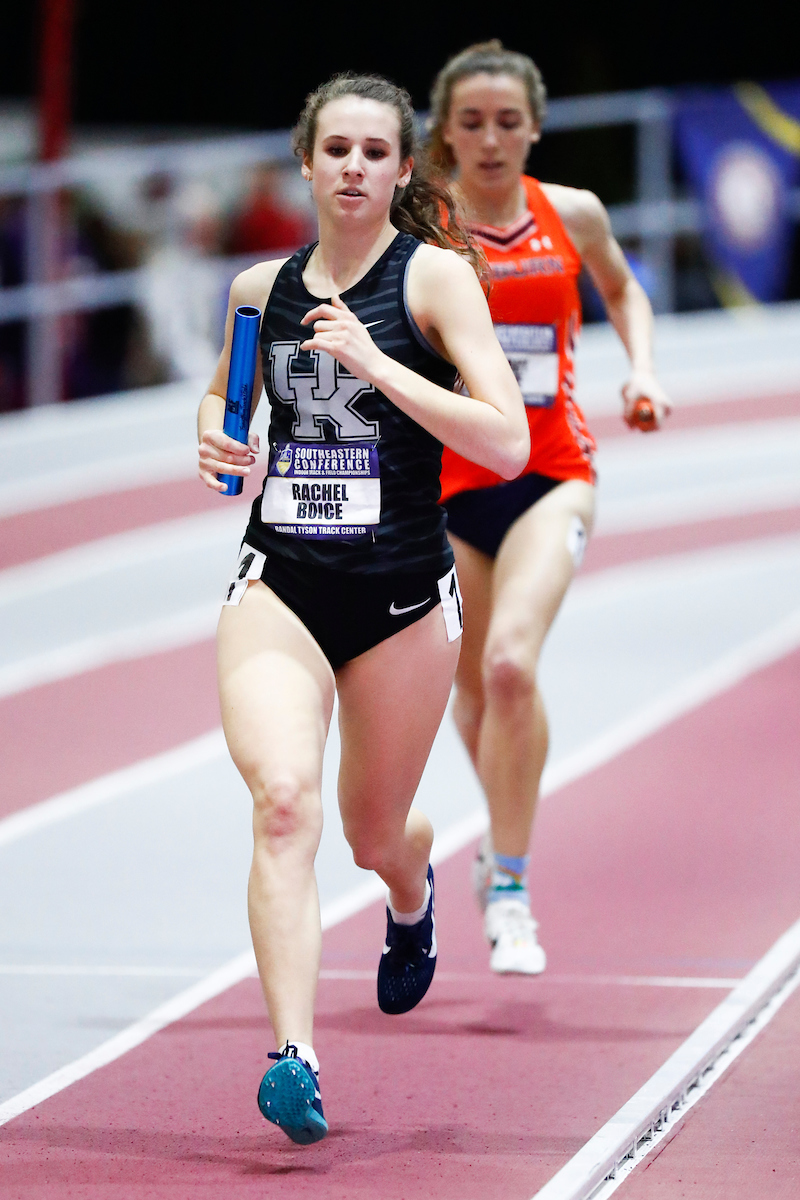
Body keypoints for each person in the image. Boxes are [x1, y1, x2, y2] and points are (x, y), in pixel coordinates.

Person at [197, 72, 528, 1146]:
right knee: (282, 801)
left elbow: (506, 439)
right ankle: (294, 1057)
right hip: (280, 582)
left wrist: (378, 365)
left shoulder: (432, 281)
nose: (351, 167)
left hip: (396, 600)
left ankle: (410, 891)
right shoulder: (260, 288)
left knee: (370, 830)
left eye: (373, 151)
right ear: (305, 161)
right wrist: (213, 431)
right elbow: (224, 392)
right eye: (333, 148)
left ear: (399, 167)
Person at [426, 42, 671, 976]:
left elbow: (622, 289)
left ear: (534, 126)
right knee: (474, 691)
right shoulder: (423, 223)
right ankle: (504, 830)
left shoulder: (572, 213)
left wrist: (641, 368)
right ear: (446, 131)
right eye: (473, 123)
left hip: (552, 471)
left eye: (508, 122)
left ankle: (512, 884)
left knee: (511, 667)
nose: (491, 141)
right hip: (447, 486)